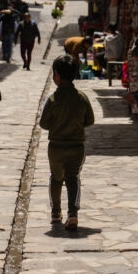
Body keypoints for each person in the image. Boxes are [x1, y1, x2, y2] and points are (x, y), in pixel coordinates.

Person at [39, 54, 95, 230]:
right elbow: (90, 120)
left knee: (56, 178)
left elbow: (43, 123)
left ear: (56, 75)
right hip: (76, 147)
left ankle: (56, 212)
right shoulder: (82, 98)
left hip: (55, 147)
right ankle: (73, 214)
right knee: (73, 179)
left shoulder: (53, 99)